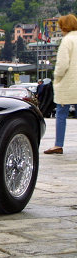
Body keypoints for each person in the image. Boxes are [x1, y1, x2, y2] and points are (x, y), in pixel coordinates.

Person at [44, 14, 77, 155]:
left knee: (61, 113)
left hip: (68, 83)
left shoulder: (67, 40)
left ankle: (58, 144)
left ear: (64, 26)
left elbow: (62, 64)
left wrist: (56, 77)